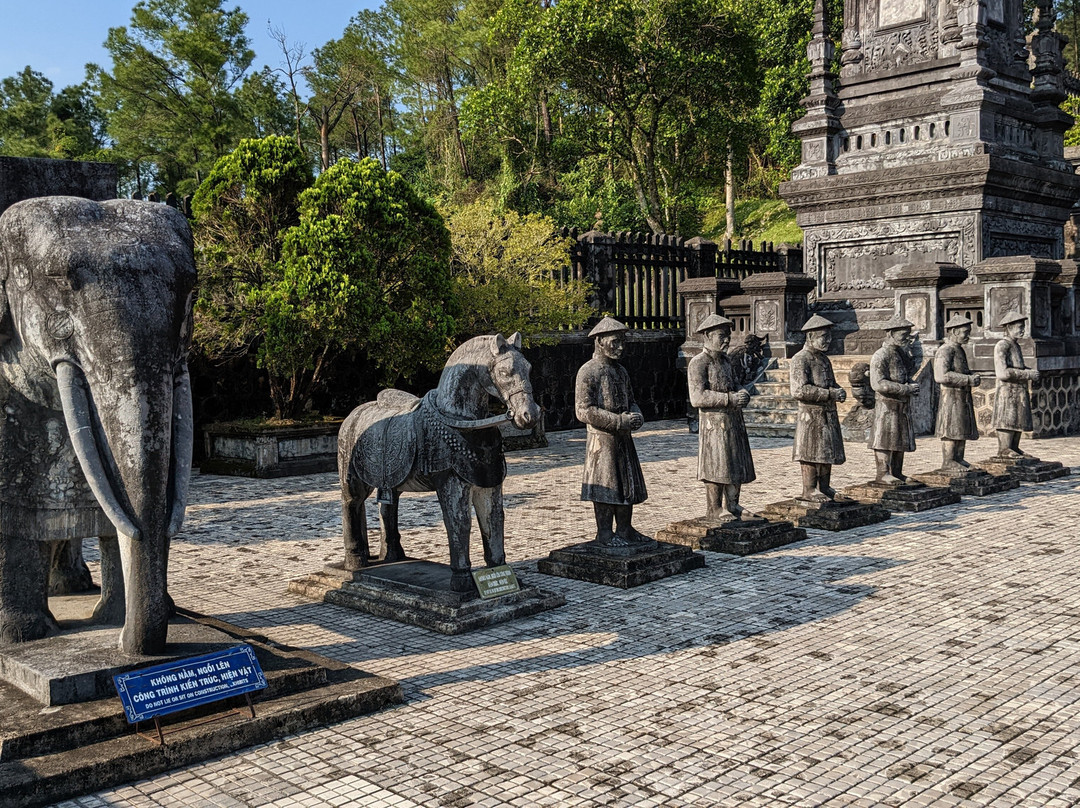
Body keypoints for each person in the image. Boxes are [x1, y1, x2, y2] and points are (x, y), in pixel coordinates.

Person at [575, 317, 650, 545]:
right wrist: (617, 421)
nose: (620, 347)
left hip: (623, 438)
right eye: (615, 342)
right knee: (606, 485)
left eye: (622, 342)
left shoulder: (621, 371)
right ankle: (605, 533)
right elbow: (583, 410)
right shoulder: (588, 371)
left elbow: (631, 400)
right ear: (599, 341)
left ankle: (625, 529)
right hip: (602, 440)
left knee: (626, 484)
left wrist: (636, 415)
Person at [688, 314, 755, 520]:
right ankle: (715, 508)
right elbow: (697, 397)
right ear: (707, 336)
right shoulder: (698, 363)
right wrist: (729, 398)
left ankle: (733, 504)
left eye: (728, 335)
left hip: (733, 421)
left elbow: (735, 384)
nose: (726, 340)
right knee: (716, 464)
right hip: (714, 424)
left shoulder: (726, 361)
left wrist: (742, 392)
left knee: (735, 462)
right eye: (721, 336)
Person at [789, 314, 847, 501]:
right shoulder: (801, 359)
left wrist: (838, 390)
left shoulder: (823, 359)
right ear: (810, 337)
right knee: (811, 452)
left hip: (827, 413)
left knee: (826, 451)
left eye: (829, 336)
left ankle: (825, 486)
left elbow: (831, 382)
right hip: (811, 415)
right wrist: (829, 394)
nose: (828, 340)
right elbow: (799, 389)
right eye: (824, 337)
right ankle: (809, 488)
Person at [869, 318, 920, 485]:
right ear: (891, 334)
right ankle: (883, 473)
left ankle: (897, 472)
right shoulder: (881, 355)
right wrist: (905, 389)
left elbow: (905, 375)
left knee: (899, 438)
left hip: (901, 405)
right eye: (903, 335)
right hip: (886, 405)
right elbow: (878, 383)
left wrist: (911, 384)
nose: (907, 338)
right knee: (884, 439)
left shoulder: (901, 354)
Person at [934, 314, 981, 471]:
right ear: (954, 331)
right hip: (950, 397)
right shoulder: (945, 350)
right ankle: (949, 460)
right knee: (951, 429)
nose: (968, 336)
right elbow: (941, 375)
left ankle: (959, 458)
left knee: (961, 427)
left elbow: (960, 370)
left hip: (961, 395)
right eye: (965, 332)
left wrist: (971, 375)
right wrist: (967, 379)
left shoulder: (958, 349)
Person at [992, 312, 1040, 458]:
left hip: (1018, 389)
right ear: (1009, 327)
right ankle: (1004, 449)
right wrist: (1027, 374)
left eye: (1023, 327)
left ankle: (1014, 447)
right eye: (1020, 327)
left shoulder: (1015, 345)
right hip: (1007, 390)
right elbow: (1002, 372)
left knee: (1017, 419)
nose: (1023, 330)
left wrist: (1028, 371)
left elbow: (1018, 367)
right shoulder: (1002, 345)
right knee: (1007, 418)